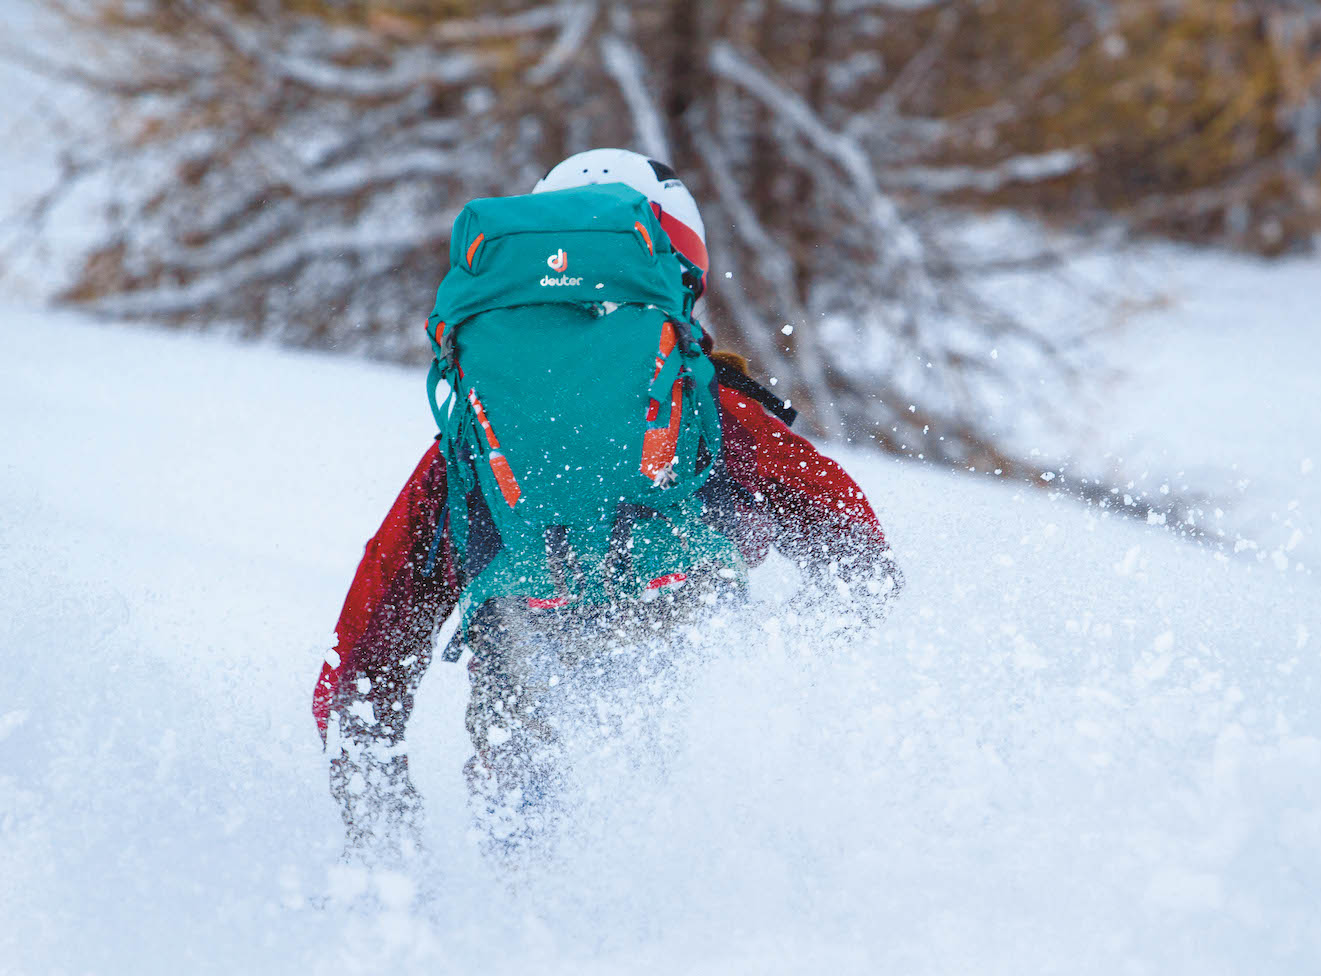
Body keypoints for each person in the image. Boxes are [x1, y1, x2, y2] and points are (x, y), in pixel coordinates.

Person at [312, 149, 902, 869]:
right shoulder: (712, 410)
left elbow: (376, 624)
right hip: (684, 627)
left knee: (532, 856)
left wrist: (372, 796)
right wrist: (818, 645)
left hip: (519, 653)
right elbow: (850, 536)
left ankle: (524, 942)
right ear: (681, 272)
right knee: (677, 837)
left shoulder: (476, 435)